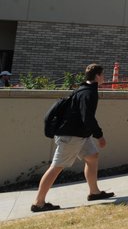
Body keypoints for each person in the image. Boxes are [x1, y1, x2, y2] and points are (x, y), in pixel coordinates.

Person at [31, 64, 114, 212]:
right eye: (103, 75)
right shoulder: (89, 93)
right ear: (97, 76)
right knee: (56, 167)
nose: (104, 77)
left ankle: (94, 192)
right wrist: (99, 135)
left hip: (80, 134)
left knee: (92, 157)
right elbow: (87, 117)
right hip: (71, 136)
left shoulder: (82, 90)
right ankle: (38, 203)